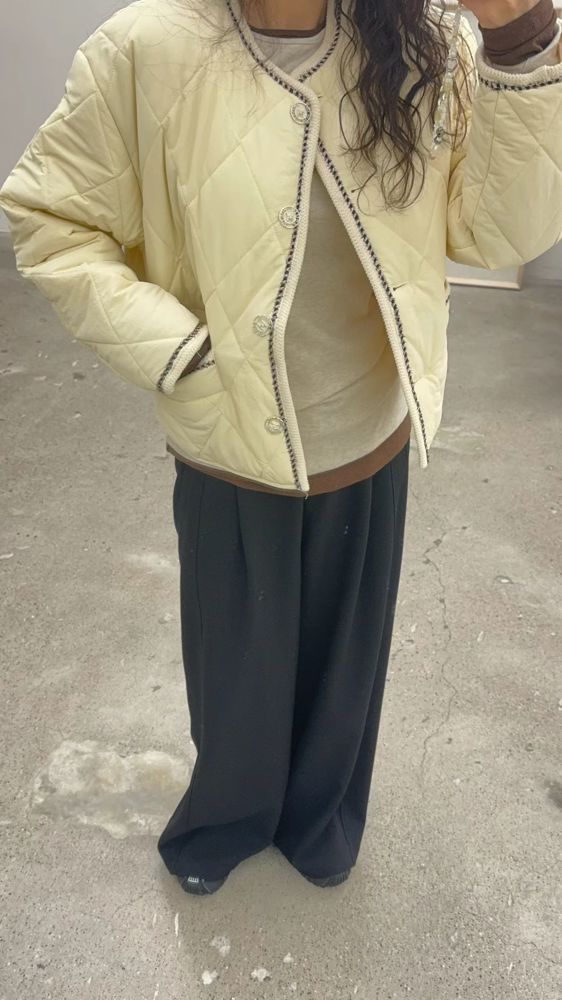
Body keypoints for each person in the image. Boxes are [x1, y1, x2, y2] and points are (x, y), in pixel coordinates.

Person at [0, 0, 560, 896]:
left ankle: (320, 819)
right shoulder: (144, 48)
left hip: (368, 433)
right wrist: (179, 352)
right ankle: (227, 818)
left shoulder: (425, 44)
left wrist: (517, 37)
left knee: (346, 667)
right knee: (236, 666)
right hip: (228, 435)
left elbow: (495, 233)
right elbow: (49, 217)